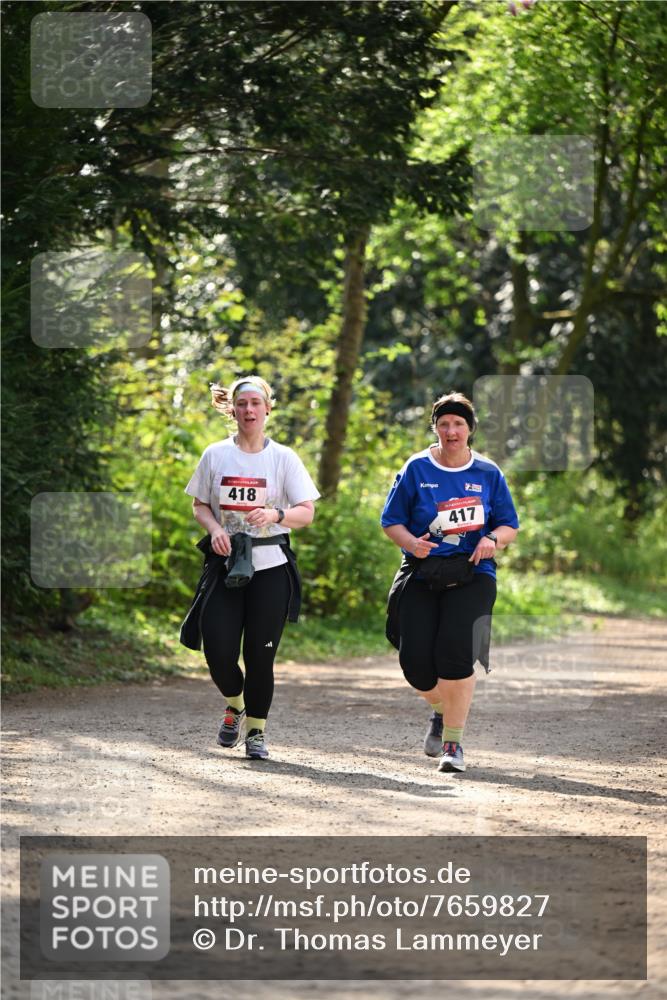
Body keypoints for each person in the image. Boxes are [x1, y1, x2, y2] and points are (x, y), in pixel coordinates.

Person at [181, 375, 320, 760]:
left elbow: (307, 513)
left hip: (270, 567)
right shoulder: (215, 455)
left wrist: (276, 514)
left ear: (268, 408)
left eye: (256, 403)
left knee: (261, 656)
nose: (248, 410)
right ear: (233, 409)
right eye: (242, 404)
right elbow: (199, 504)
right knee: (217, 650)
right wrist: (214, 530)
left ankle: (256, 732)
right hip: (225, 564)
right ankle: (235, 703)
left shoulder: (284, 458)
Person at [381, 391, 519, 773]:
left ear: (470, 429)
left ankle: (453, 745)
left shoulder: (488, 473)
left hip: (473, 572)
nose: (451, 431)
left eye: (458, 424)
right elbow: (391, 520)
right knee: (414, 663)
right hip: (422, 570)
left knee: (455, 654)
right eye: (444, 424)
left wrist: (493, 540)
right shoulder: (416, 468)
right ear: (435, 428)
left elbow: (509, 524)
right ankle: (441, 710)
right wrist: (412, 543)